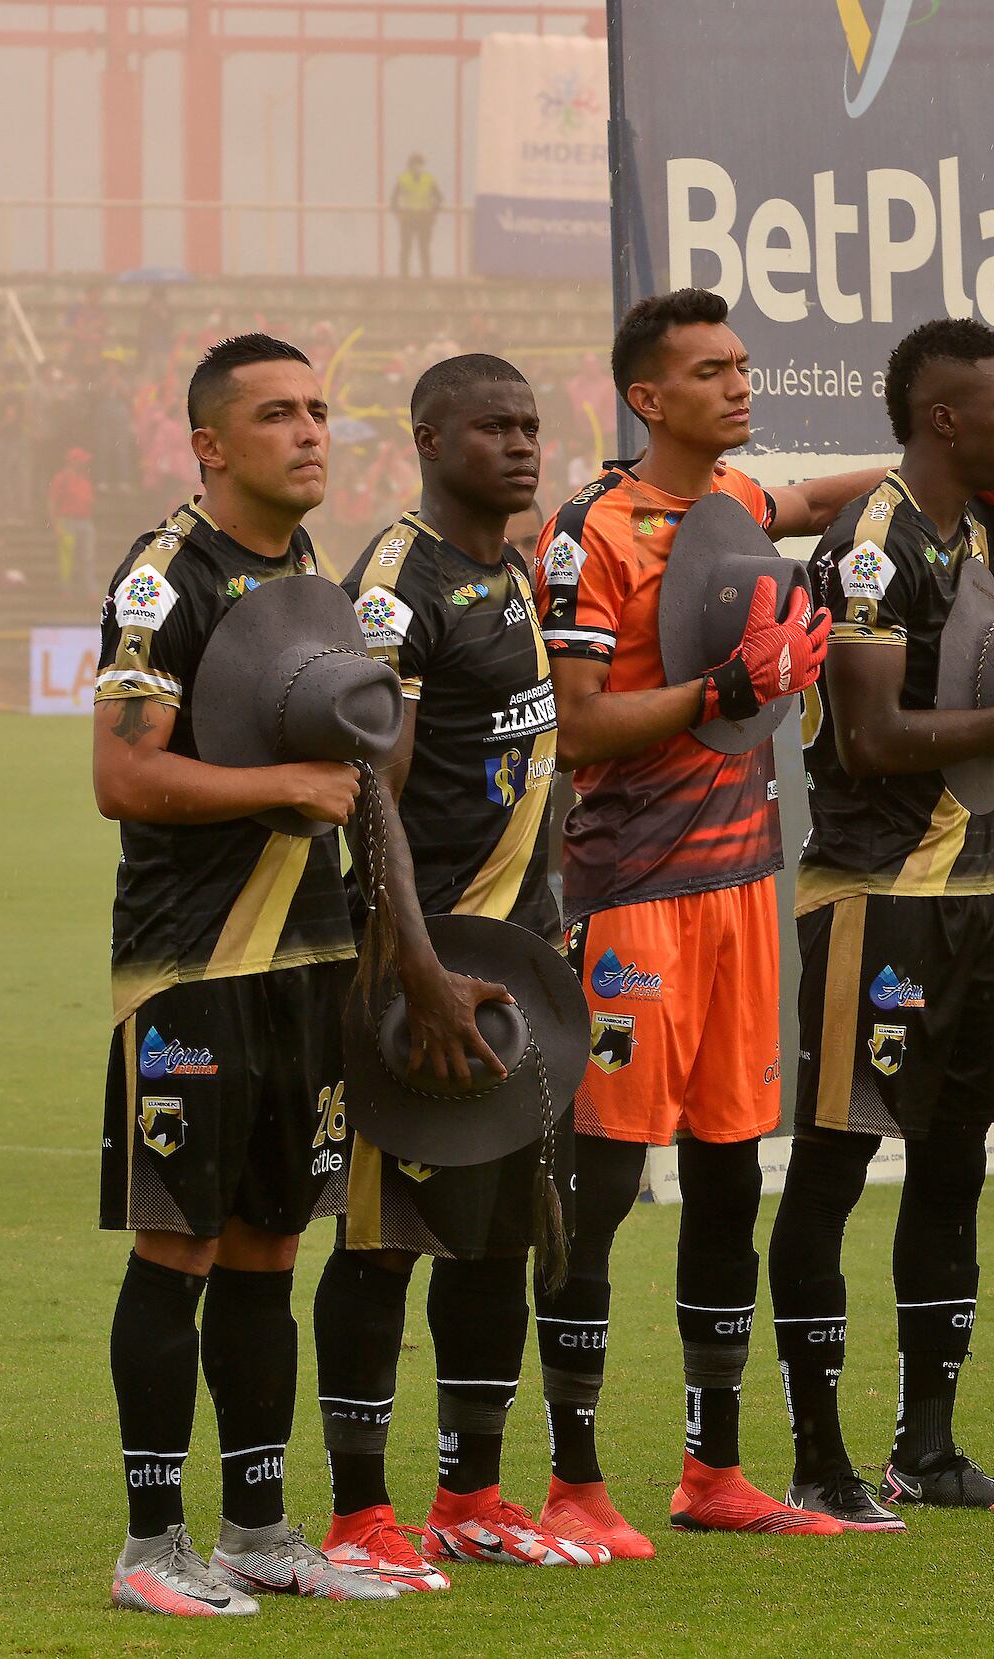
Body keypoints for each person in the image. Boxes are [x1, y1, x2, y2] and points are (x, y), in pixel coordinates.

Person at [770, 316, 994, 1528]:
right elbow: (869, 740)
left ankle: (927, 1450)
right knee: (833, 1164)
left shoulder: (975, 526)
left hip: (971, 903)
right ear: (942, 419)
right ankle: (819, 1463)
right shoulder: (871, 545)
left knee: (956, 1163)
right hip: (876, 901)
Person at [533, 287, 873, 1556]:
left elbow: (819, 500)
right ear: (645, 396)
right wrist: (725, 689)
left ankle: (713, 1471)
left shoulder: (728, 505)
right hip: (632, 898)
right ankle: (574, 1483)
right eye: (710, 370)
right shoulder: (593, 531)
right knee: (606, 1184)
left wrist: (944, 472)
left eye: (742, 365)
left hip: (743, 892)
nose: (739, 383)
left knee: (732, 1173)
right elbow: (575, 727)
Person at [93, 334, 402, 1613]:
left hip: (307, 963)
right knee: (181, 1248)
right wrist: (286, 785)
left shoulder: (315, 572)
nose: (311, 431)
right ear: (210, 444)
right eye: (278, 414)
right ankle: (152, 1549)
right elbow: (123, 777)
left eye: (321, 409)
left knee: (274, 1246)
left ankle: (262, 1531)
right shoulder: (165, 575)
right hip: (193, 971)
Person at [312, 354, 608, 1590]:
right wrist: (416, 971)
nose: (522, 445)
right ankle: (357, 1515)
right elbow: (368, 790)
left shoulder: (520, 569)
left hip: (519, 962)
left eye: (532, 426)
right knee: (383, 1243)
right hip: (424, 970)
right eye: (493, 428)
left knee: (498, 1235)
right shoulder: (399, 581)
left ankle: (470, 1497)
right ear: (429, 440)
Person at [51, 445, 96, 592]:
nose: (85, 463)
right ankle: (66, 590)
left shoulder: (85, 478)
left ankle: (89, 590)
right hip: (67, 521)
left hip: (85, 521)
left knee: (88, 557)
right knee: (67, 559)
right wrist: (56, 525)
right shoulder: (61, 479)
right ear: (73, 461)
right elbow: (52, 502)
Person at [391, 154, 443, 280]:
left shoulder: (429, 179)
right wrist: (399, 214)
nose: (418, 167)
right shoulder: (403, 179)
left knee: (424, 248)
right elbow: (393, 201)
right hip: (408, 217)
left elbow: (439, 198)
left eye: (420, 164)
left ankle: (426, 275)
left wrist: (433, 213)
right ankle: (404, 276)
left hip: (424, 217)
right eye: (415, 164)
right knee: (406, 247)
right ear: (410, 165)